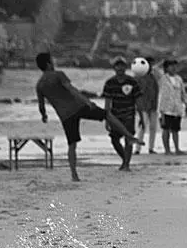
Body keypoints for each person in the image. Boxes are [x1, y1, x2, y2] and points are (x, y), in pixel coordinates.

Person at [35, 52, 140, 181]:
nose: (54, 62)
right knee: (106, 114)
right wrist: (87, 101)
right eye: (52, 60)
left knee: (72, 144)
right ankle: (129, 136)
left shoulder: (39, 84)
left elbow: (41, 105)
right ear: (48, 64)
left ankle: (74, 175)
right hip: (78, 107)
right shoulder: (58, 75)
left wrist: (44, 115)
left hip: (65, 116)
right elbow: (72, 89)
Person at [102, 55, 141, 170]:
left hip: (129, 114)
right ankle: (125, 160)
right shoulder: (110, 83)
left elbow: (138, 100)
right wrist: (106, 118)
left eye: (122, 66)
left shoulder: (132, 82)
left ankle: (126, 164)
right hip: (115, 115)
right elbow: (108, 102)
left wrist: (142, 116)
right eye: (117, 66)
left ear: (126, 67)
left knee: (129, 138)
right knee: (114, 140)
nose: (120, 68)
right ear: (114, 68)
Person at [157, 58, 187, 155]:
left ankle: (177, 149)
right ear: (166, 68)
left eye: (175, 66)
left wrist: (186, 104)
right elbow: (154, 69)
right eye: (171, 66)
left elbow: (182, 92)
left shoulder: (179, 79)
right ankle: (167, 150)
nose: (174, 68)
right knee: (166, 129)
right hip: (165, 108)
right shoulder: (162, 78)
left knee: (175, 129)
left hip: (177, 107)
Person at [135, 56, 160, 154]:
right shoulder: (139, 77)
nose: (151, 66)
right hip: (143, 106)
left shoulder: (153, 76)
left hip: (153, 106)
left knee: (153, 127)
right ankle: (138, 148)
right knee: (142, 127)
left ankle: (151, 148)